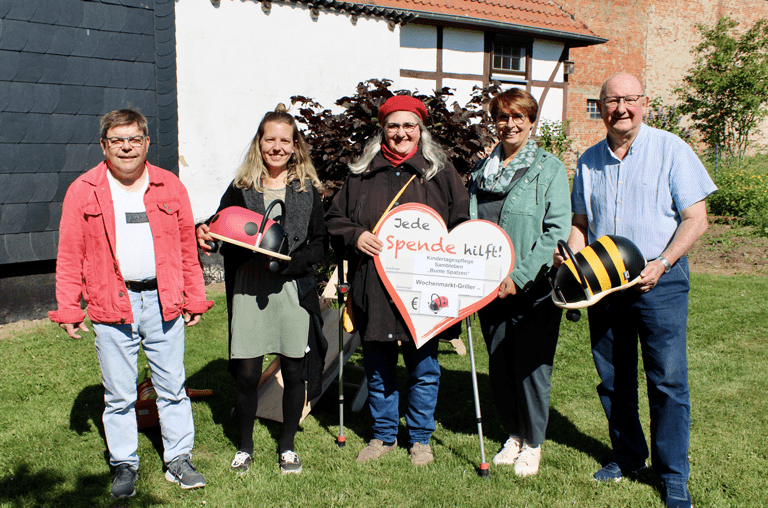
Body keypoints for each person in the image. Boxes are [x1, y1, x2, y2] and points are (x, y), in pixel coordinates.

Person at [554, 73, 716, 508]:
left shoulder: (671, 149)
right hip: (605, 286)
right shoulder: (588, 161)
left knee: (667, 381)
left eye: (629, 99)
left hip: (660, 282)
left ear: (645, 103)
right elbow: (581, 224)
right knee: (613, 379)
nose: (620, 108)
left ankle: (672, 474)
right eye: (611, 101)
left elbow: (696, 218)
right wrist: (571, 256)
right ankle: (627, 457)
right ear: (601, 107)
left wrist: (663, 262)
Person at [48, 109, 213, 499]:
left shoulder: (170, 186)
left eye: (134, 139)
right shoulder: (83, 190)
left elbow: (187, 249)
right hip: (111, 301)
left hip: (163, 299)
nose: (126, 147)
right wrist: (69, 307)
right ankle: (125, 463)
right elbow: (69, 254)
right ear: (104, 145)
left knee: (172, 386)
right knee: (119, 394)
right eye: (117, 140)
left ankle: (179, 459)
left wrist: (195, 296)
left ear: (147, 143)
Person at [326, 95, 469, 466]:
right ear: (382, 130)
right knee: (378, 367)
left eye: (409, 125)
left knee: (424, 368)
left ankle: (420, 439)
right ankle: (383, 436)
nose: (401, 133)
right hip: (375, 284)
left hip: (425, 288)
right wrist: (356, 235)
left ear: (420, 131)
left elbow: (461, 225)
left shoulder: (440, 173)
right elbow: (334, 219)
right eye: (393, 126)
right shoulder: (362, 174)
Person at [196, 105, 326, 475]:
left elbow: (319, 246)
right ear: (259, 142)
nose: (277, 147)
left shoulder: (306, 191)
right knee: (248, 374)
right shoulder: (241, 189)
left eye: (285, 140)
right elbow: (219, 225)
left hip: (291, 290)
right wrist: (205, 233)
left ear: (295, 146)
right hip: (249, 288)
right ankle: (245, 446)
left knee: (294, 372)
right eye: (270, 139)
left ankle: (288, 446)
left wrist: (291, 264)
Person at [468, 89, 571, 476]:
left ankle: (533, 443)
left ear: (531, 122)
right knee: (500, 364)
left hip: (533, 287)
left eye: (518, 117)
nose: (509, 124)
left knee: (531, 367)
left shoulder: (550, 169)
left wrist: (520, 276)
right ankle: (513, 434)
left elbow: (556, 230)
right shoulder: (482, 172)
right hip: (490, 287)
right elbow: (472, 224)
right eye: (502, 117)